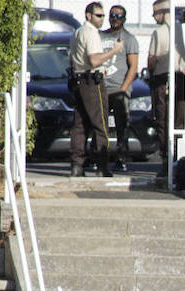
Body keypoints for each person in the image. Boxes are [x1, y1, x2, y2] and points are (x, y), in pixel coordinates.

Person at [68, 2, 124, 178]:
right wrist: (114, 51)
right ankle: (102, 165)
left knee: (80, 125)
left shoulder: (78, 32)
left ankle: (77, 165)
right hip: (92, 82)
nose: (102, 19)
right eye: (98, 15)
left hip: (79, 79)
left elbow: (74, 59)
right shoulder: (91, 33)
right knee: (100, 124)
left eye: (103, 15)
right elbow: (94, 60)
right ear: (89, 16)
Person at [148, 0, 185, 177]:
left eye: (155, 12)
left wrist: (151, 67)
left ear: (164, 12)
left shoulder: (159, 32)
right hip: (180, 75)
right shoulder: (181, 29)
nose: (153, 16)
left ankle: (166, 160)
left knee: (162, 119)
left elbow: (152, 59)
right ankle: (178, 157)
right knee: (179, 119)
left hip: (162, 77)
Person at [99, 5, 138, 172]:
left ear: (125, 19)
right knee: (100, 125)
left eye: (119, 16)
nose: (116, 19)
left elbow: (133, 67)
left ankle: (121, 157)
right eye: (113, 15)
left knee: (122, 126)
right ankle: (98, 157)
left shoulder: (129, 39)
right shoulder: (101, 36)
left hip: (119, 89)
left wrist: (123, 88)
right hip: (101, 88)